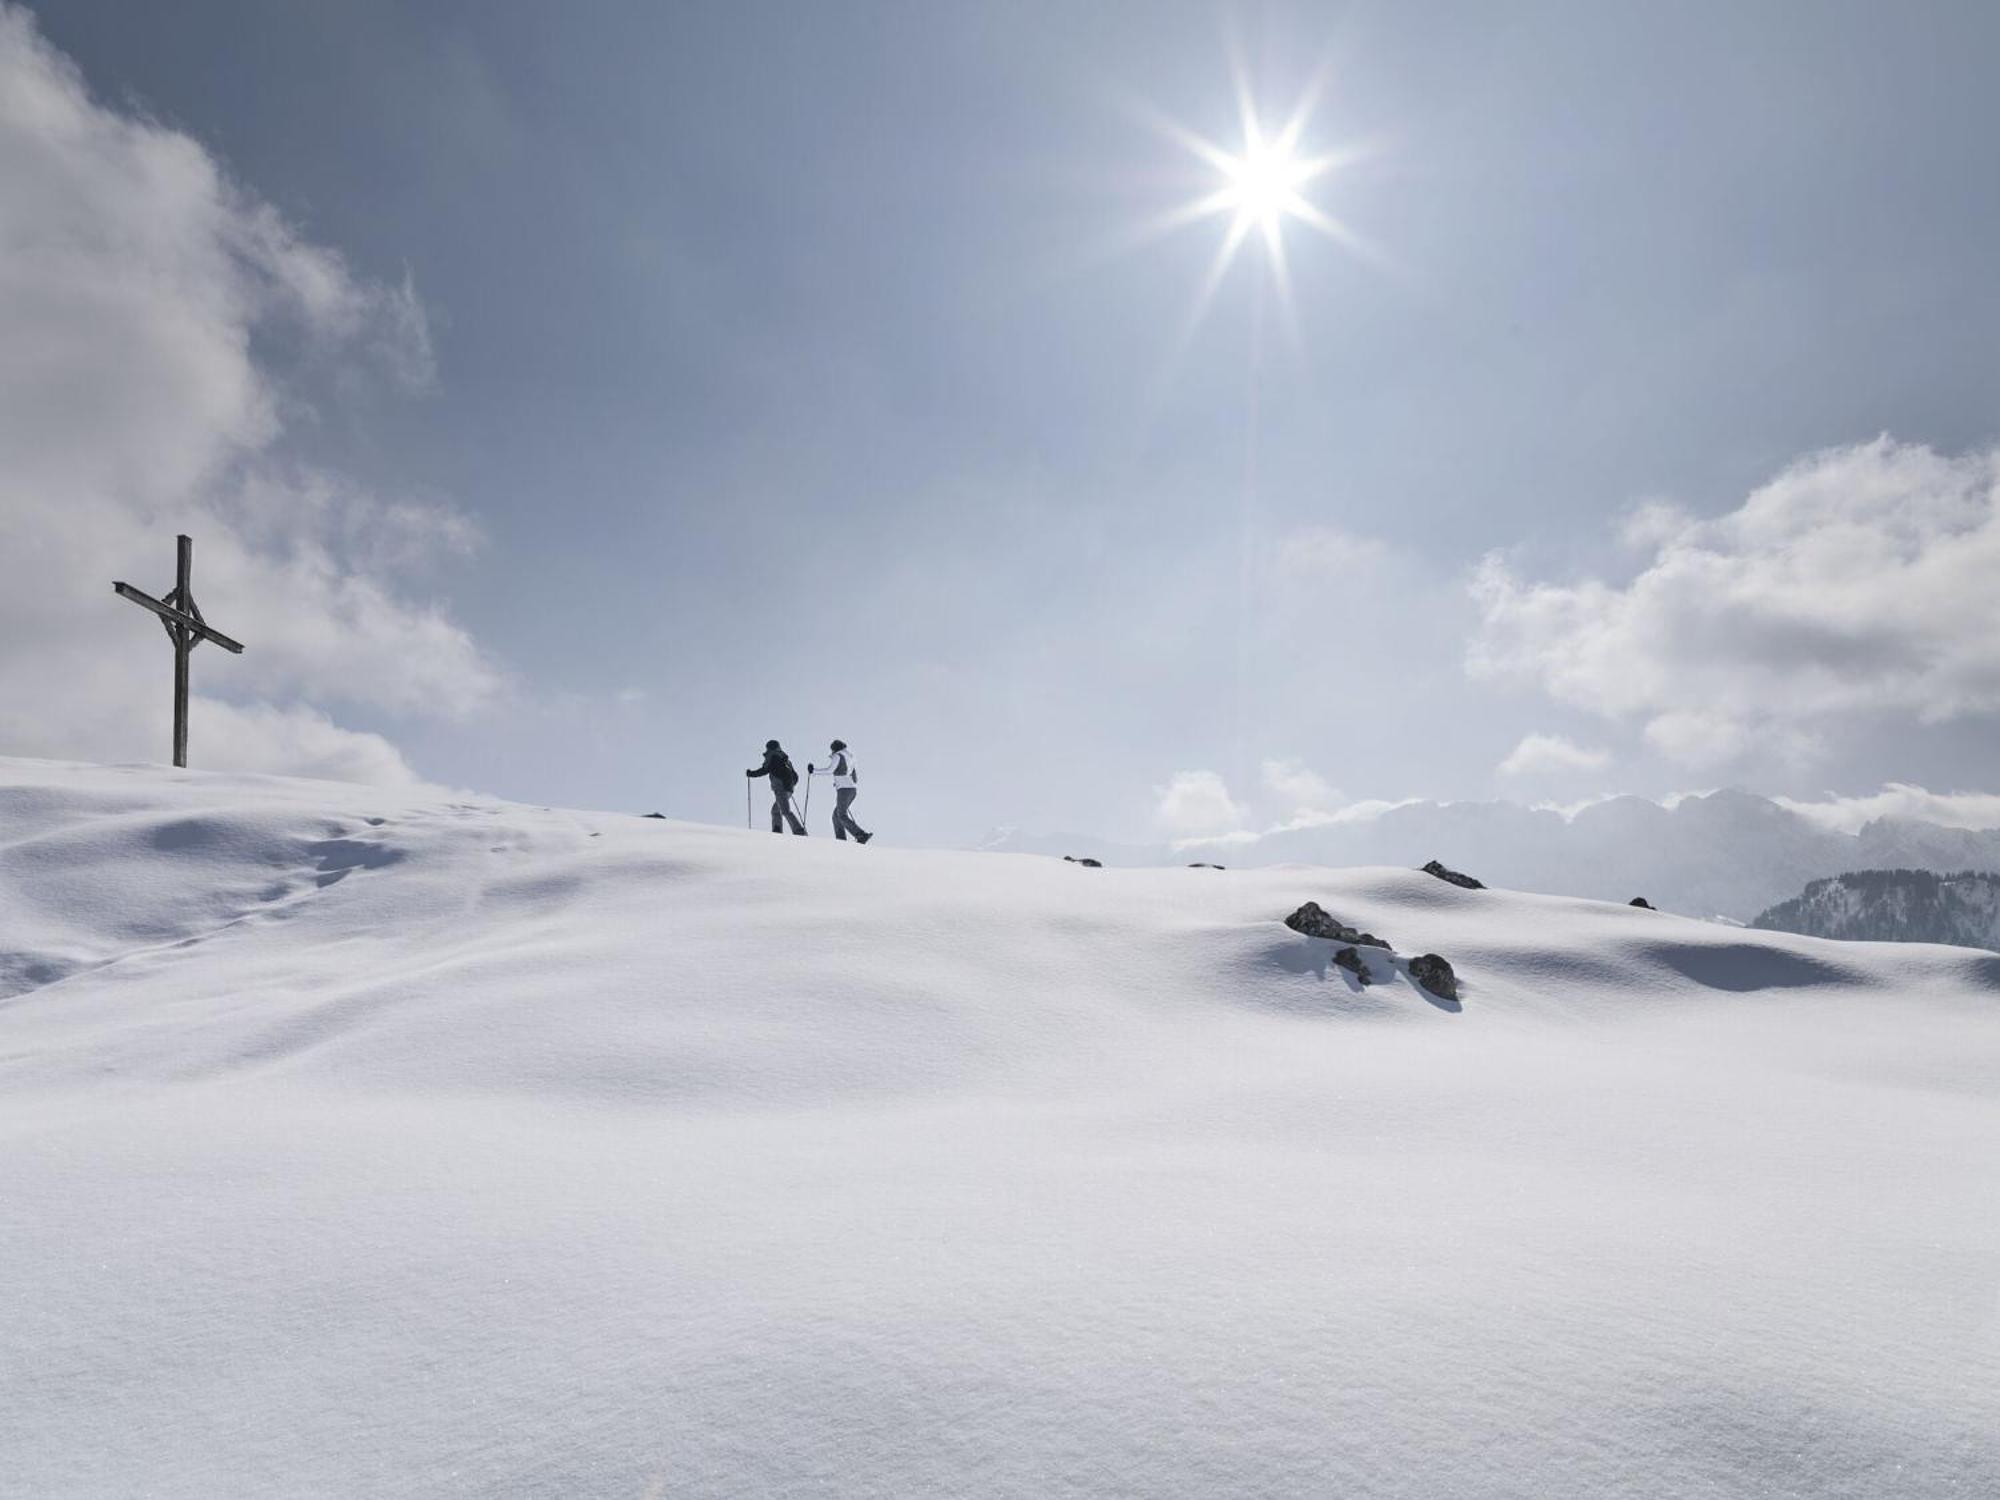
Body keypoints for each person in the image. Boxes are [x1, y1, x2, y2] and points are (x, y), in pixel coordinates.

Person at [809, 739, 872, 844]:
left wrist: (813, 771)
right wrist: (840, 782)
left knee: (841, 815)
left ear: (834, 748)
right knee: (836, 816)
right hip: (852, 789)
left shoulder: (838, 756)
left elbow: (830, 770)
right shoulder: (850, 757)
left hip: (844, 790)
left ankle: (861, 834)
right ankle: (841, 841)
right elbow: (853, 776)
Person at [745, 739, 805, 834]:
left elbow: (765, 770)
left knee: (785, 811)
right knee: (775, 810)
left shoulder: (772, 756)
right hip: (789, 789)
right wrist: (789, 786)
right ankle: (777, 830)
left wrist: (751, 774)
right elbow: (796, 776)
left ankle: (799, 831)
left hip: (780, 788)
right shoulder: (785, 759)